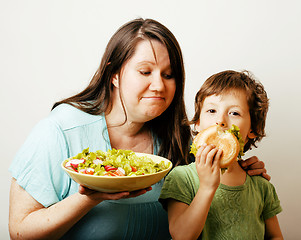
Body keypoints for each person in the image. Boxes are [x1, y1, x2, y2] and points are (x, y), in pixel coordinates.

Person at [9, 18, 269, 240]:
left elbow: (204, 194)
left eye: (168, 75)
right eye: (145, 72)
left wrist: (238, 169)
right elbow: (19, 231)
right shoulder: (61, 130)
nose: (159, 85)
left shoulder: (177, 137)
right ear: (114, 75)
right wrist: (90, 197)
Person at [159, 70, 283, 240]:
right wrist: (207, 187)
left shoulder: (261, 185)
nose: (221, 121)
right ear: (197, 123)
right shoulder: (181, 178)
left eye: (234, 113)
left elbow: (275, 236)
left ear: (254, 130)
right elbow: (181, 236)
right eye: (211, 111)